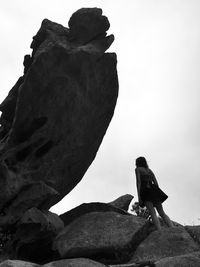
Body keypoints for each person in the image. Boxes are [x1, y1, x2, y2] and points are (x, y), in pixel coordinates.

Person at [135, 156, 173, 230]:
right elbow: (156, 183)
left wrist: (139, 196)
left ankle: (160, 230)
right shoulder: (149, 170)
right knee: (162, 212)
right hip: (154, 190)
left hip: (145, 191)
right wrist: (156, 193)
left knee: (152, 213)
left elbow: (138, 182)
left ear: (138, 163)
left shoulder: (137, 169)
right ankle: (172, 227)